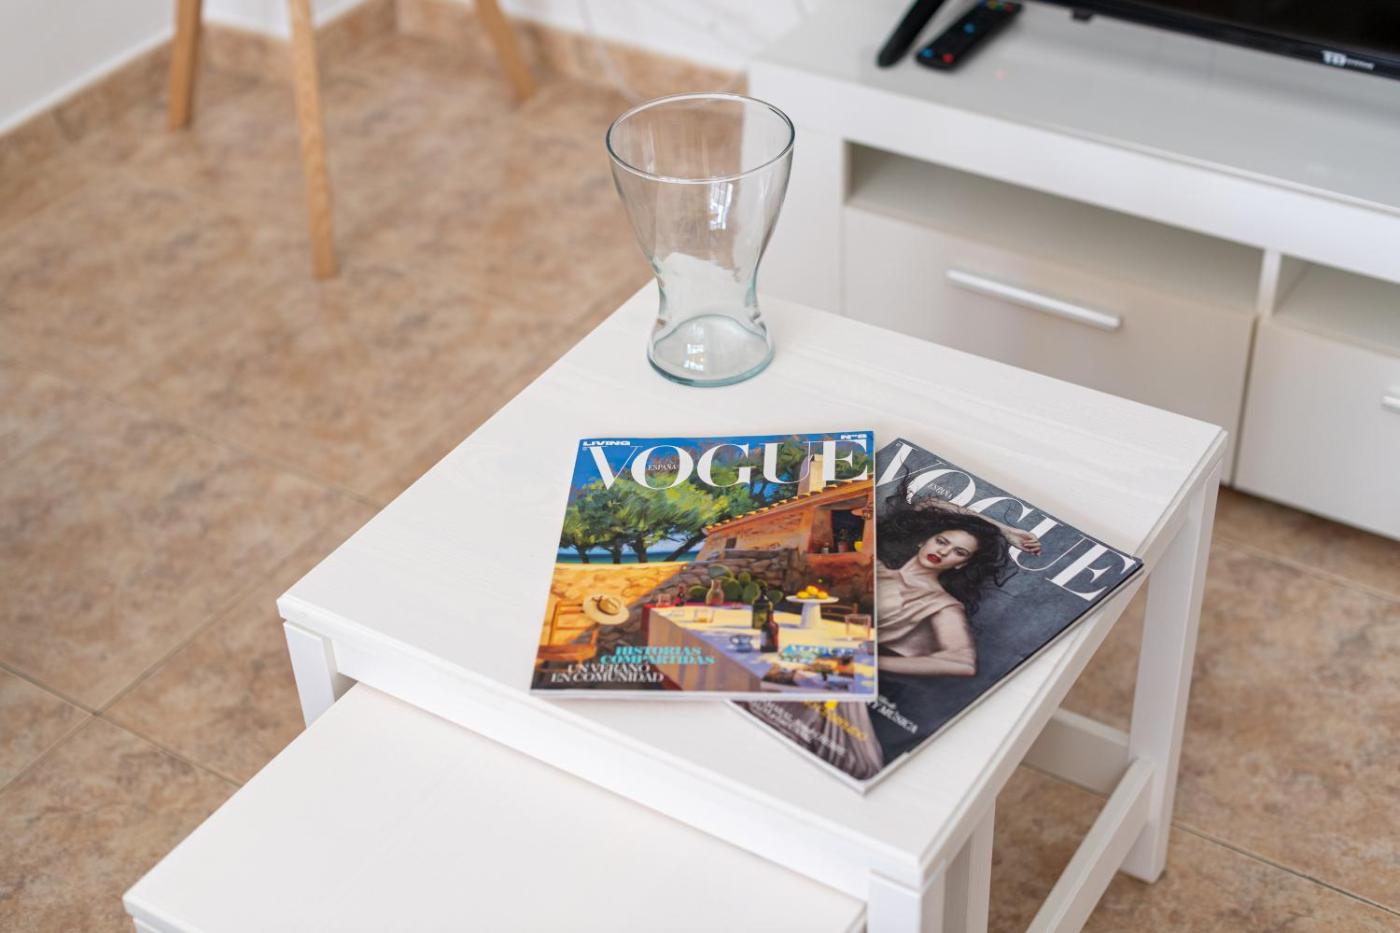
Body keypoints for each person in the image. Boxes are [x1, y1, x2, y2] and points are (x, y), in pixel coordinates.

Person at [744, 477, 1039, 780]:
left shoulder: (940, 603)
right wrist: (1004, 530)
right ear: (924, 540)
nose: (944, 551)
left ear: (961, 565)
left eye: (959, 552)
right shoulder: (878, 566)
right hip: (792, 652)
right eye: (941, 541)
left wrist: (868, 663)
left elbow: (962, 662)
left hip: (830, 680)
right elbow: (930, 504)